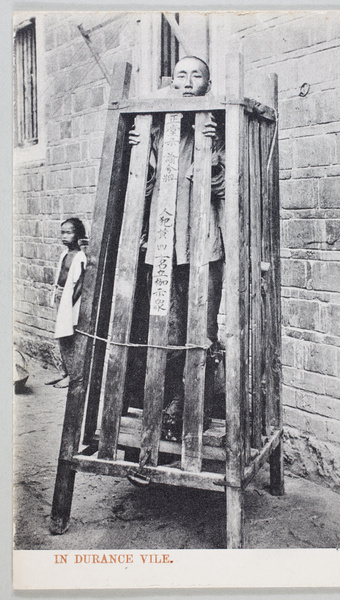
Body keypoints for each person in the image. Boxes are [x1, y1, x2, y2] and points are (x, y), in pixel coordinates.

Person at [128, 56, 225, 440]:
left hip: (203, 251)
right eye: (180, 75)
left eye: (196, 75)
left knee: (199, 334)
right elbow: (143, 187)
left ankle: (192, 412)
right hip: (162, 252)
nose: (187, 82)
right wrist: (138, 149)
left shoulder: (216, 132)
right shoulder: (157, 134)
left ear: (207, 84)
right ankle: (161, 414)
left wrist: (213, 150)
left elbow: (222, 188)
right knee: (164, 335)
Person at [46, 218, 87, 388]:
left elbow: (81, 283)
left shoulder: (80, 256)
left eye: (69, 232)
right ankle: (65, 373)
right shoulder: (65, 254)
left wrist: (69, 304)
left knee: (68, 337)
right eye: (62, 232)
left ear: (78, 234)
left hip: (70, 301)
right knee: (61, 337)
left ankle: (73, 376)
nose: (64, 236)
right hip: (61, 296)